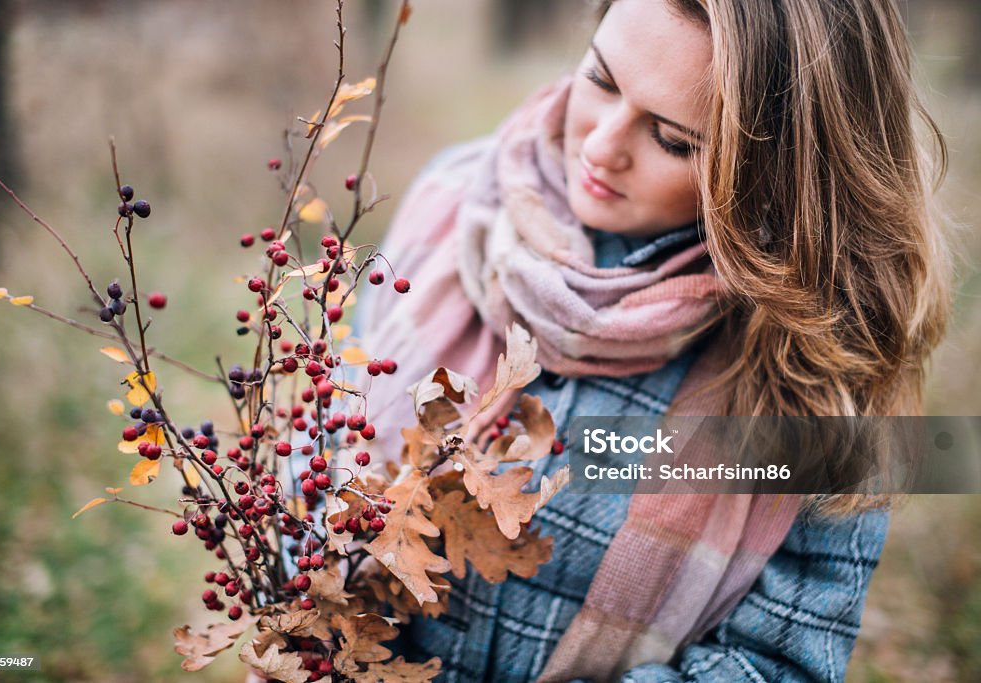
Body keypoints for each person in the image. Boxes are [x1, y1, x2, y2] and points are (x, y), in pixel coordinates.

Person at [349, 0, 953, 681]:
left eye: (672, 139)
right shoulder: (449, 205)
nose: (602, 145)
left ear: (777, 176)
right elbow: (325, 449)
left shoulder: (816, 360)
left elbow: (780, 664)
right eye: (601, 79)